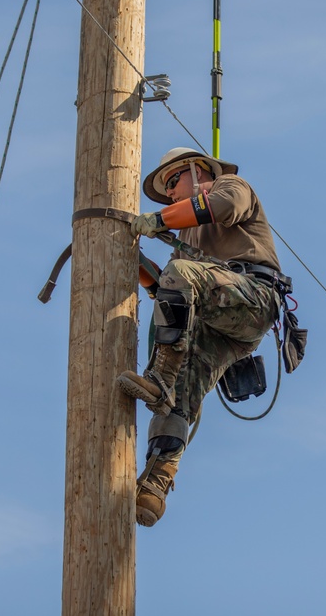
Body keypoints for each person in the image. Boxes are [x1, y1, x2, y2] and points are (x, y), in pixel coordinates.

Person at [118, 147, 287, 527]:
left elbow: (221, 207)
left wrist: (157, 220)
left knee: (182, 272)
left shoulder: (232, 186)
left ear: (196, 171)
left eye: (173, 184)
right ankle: (157, 483)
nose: (172, 195)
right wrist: (134, 263)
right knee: (181, 397)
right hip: (218, 325)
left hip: (254, 297)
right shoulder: (188, 233)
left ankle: (159, 376)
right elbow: (169, 287)